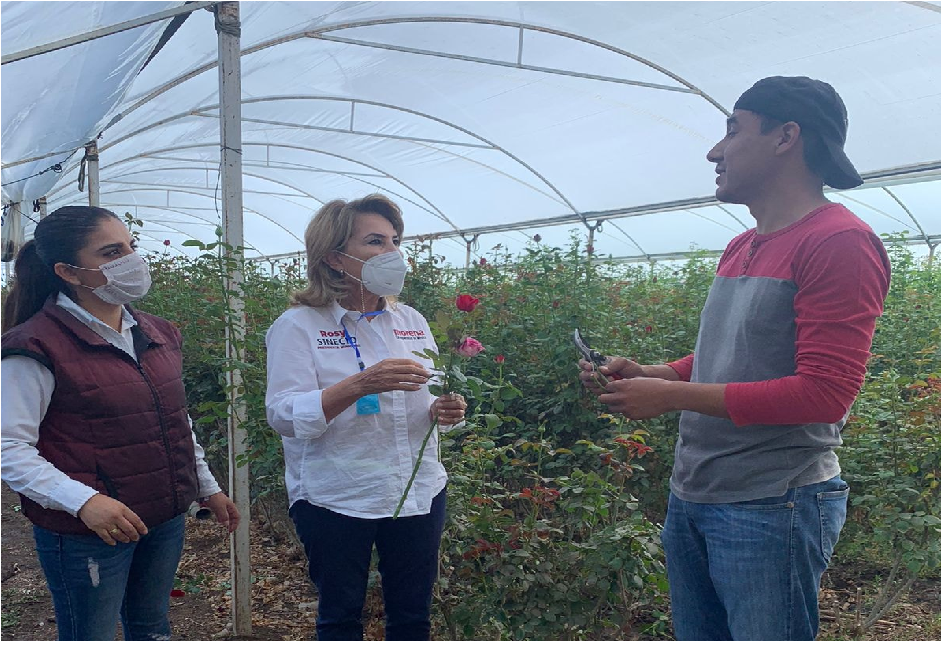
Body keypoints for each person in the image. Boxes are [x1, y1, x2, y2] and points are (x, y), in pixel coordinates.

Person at [579, 76, 891, 640]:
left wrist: (671, 398)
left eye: (732, 129)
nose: (714, 150)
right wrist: (657, 374)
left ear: (786, 137)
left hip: (773, 503)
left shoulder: (838, 241)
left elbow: (825, 393)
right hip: (696, 492)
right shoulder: (743, 243)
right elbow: (730, 353)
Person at [1, 205, 240, 641]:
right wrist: (85, 502)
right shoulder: (34, 345)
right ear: (68, 272)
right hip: (89, 531)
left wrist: (206, 485)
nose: (132, 260)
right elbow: (9, 449)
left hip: (162, 517)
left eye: (132, 246)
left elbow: (173, 418)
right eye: (112, 252)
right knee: (88, 637)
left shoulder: (157, 333)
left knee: (151, 629)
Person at [265, 193, 466, 641]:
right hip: (339, 494)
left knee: (413, 617)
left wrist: (444, 410)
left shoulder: (410, 320)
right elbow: (282, 414)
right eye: (375, 241)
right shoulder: (300, 326)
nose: (392, 252)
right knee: (340, 617)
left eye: (394, 240)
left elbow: (427, 398)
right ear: (336, 258)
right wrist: (359, 385)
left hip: (417, 489)